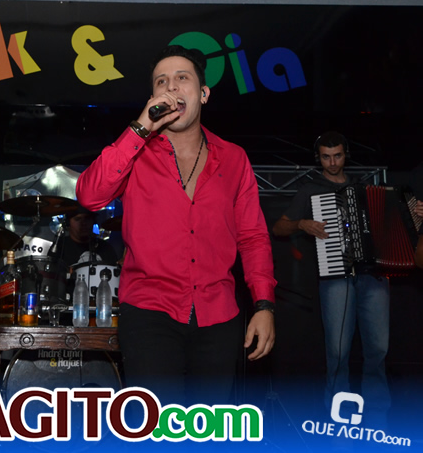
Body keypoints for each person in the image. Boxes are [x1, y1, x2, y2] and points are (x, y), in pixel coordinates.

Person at [76, 45, 276, 405]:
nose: (171, 87)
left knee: (209, 427)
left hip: (219, 315)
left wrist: (264, 306)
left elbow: (253, 237)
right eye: (161, 82)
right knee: (157, 427)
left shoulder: (234, 159)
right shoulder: (135, 152)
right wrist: (140, 128)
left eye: (182, 78)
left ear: (203, 94)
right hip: (150, 312)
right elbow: (89, 195)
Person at [272, 131, 390, 419]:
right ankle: (338, 409)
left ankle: (378, 411)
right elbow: (279, 227)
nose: (333, 162)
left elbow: (390, 224)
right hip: (336, 276)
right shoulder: (310, 190)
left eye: (337, 155)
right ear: (319, 158)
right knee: (337, 350)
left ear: (345, 154)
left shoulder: (364, 188)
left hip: (373, 276)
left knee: (379, 347)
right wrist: (302, 223)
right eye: (326, 157)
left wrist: (411, 213)